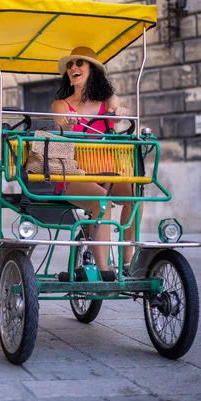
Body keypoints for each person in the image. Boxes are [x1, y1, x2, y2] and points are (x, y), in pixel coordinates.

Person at [52, 46, 140, 272]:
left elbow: (115, 107)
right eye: (70, 65)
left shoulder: (107, 101)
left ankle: (128, 260)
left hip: (106, 171)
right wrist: (69, 123)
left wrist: (119, 111)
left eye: (79, 63)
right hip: (74, 174)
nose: (73, 67)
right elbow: (61, 123)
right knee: (103, 200)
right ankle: (105, 270)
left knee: (135, 196)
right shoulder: (62, 104)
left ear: (92, 69)